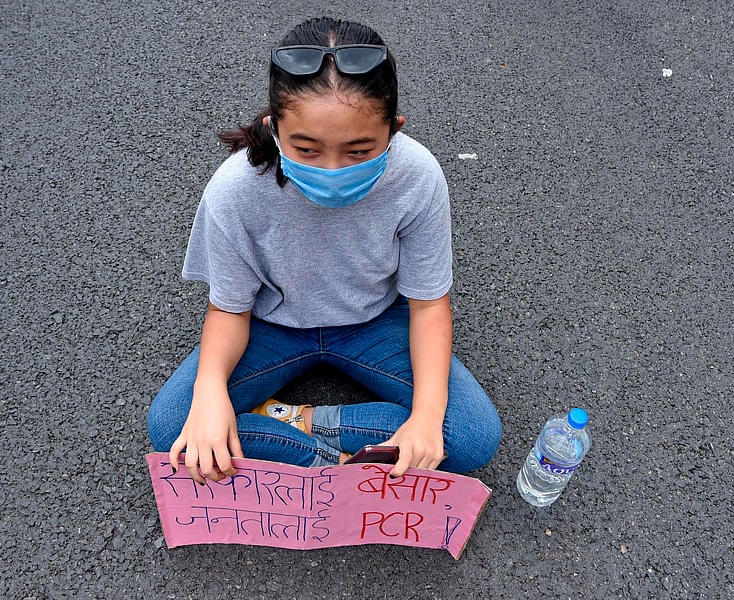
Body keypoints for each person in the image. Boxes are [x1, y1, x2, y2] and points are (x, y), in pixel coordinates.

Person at [147, 17, 501, 484]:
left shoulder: (418, 176)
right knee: (172, 424)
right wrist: (210, 390)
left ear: (394, 129)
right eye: (307, 149)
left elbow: (429, 304)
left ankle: (293, 425)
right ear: (275, 130)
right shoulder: (235, 189)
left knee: (472, 434)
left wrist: (428, 417)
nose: (332, 168)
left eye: (359, 151)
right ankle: (353, 457)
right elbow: (228, 309)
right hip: (270, 327)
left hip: (373, 322)